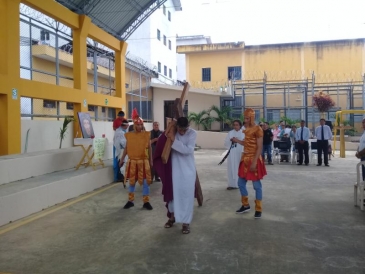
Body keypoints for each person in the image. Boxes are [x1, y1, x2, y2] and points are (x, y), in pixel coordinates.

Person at [163, 117, 197, 234]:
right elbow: (164, 140)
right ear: (177, 127)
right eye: (180, 129)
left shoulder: (192, 133)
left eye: (184, 130)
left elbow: (188, 150)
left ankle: (186, 223)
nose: (182, 132)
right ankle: (172, 217)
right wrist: (169, 131)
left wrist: (174, 141)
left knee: (186, 195)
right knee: (173, 195)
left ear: (188, 127)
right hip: (174, 169)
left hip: (187, 170)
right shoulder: (173, 132)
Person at [232, 108, 267, 219]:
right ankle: (245, 205)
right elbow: (246, 143)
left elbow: (259, 147)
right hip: (245, 158)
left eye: (247, 118)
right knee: (240, 183)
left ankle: (258, 208)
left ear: (252, 118)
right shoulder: (246, 129)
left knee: (257, 186)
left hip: (254, 159)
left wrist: (254, 162)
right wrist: (236, 140)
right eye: (245, 118)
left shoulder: (258, 129)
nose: (245, 120)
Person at [119, 108, 153, 210]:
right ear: (134, 125)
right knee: (132, 182)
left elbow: (150, 148)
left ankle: (146, 202)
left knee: (146, 182)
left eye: (140, 124)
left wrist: (151, 160)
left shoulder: (146, 135)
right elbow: (126, 148)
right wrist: (122, 159)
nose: (139, 126)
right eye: (137, 125)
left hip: (144, 161)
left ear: (142, 124)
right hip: (132, 161)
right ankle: (130, 201)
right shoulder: (130, 136)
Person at [224, 120, 245, 190]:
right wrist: (231, 140)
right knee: (231, 167)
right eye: (234, 125)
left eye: (237, 125)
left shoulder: (243, 132)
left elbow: (245, 143)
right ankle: (231, 184)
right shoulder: (230, 133)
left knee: (239, 167)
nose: (235, 126)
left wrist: (237, 140)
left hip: (240, 152)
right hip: (232, 152)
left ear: (240, 125)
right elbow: (226, 142)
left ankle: (239, 184)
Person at [112, 111, 125, 182]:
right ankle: (116, 177)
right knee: (117, 161)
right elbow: (114, 128)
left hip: (123, 145)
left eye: (121, 116)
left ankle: (122, 176)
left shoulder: (125, 121)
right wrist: (119, 128)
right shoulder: (116, 121)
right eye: (119, 116)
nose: (120, 117)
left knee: (123, 161)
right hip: (117, 144)